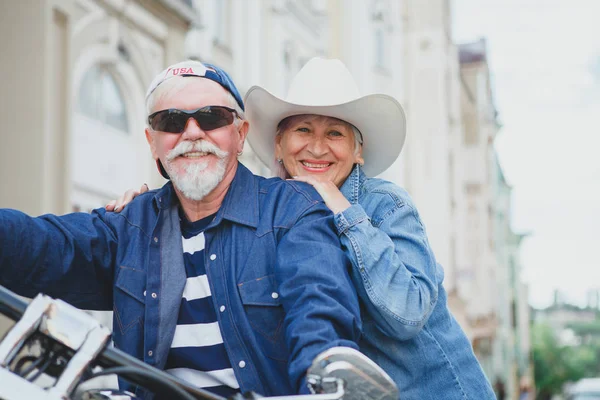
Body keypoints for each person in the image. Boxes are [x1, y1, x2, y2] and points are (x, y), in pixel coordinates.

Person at [110, 58, 497, 399]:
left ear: (358, 150)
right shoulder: (267, 212)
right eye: (303, 131)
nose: (316, 148)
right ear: (278, 144)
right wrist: (152, 207)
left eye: (334, 134)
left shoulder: (385, 205)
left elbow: (407, 314)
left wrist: (342, 208)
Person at [0, 60, 362, 398]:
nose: (191, 132)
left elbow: (319, 311)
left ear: (240, 134)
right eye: (171, 121)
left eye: (211, 117)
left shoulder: (291, 209)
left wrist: (325, 376)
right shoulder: (130, 224)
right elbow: (42, 246)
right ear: (153, 143)